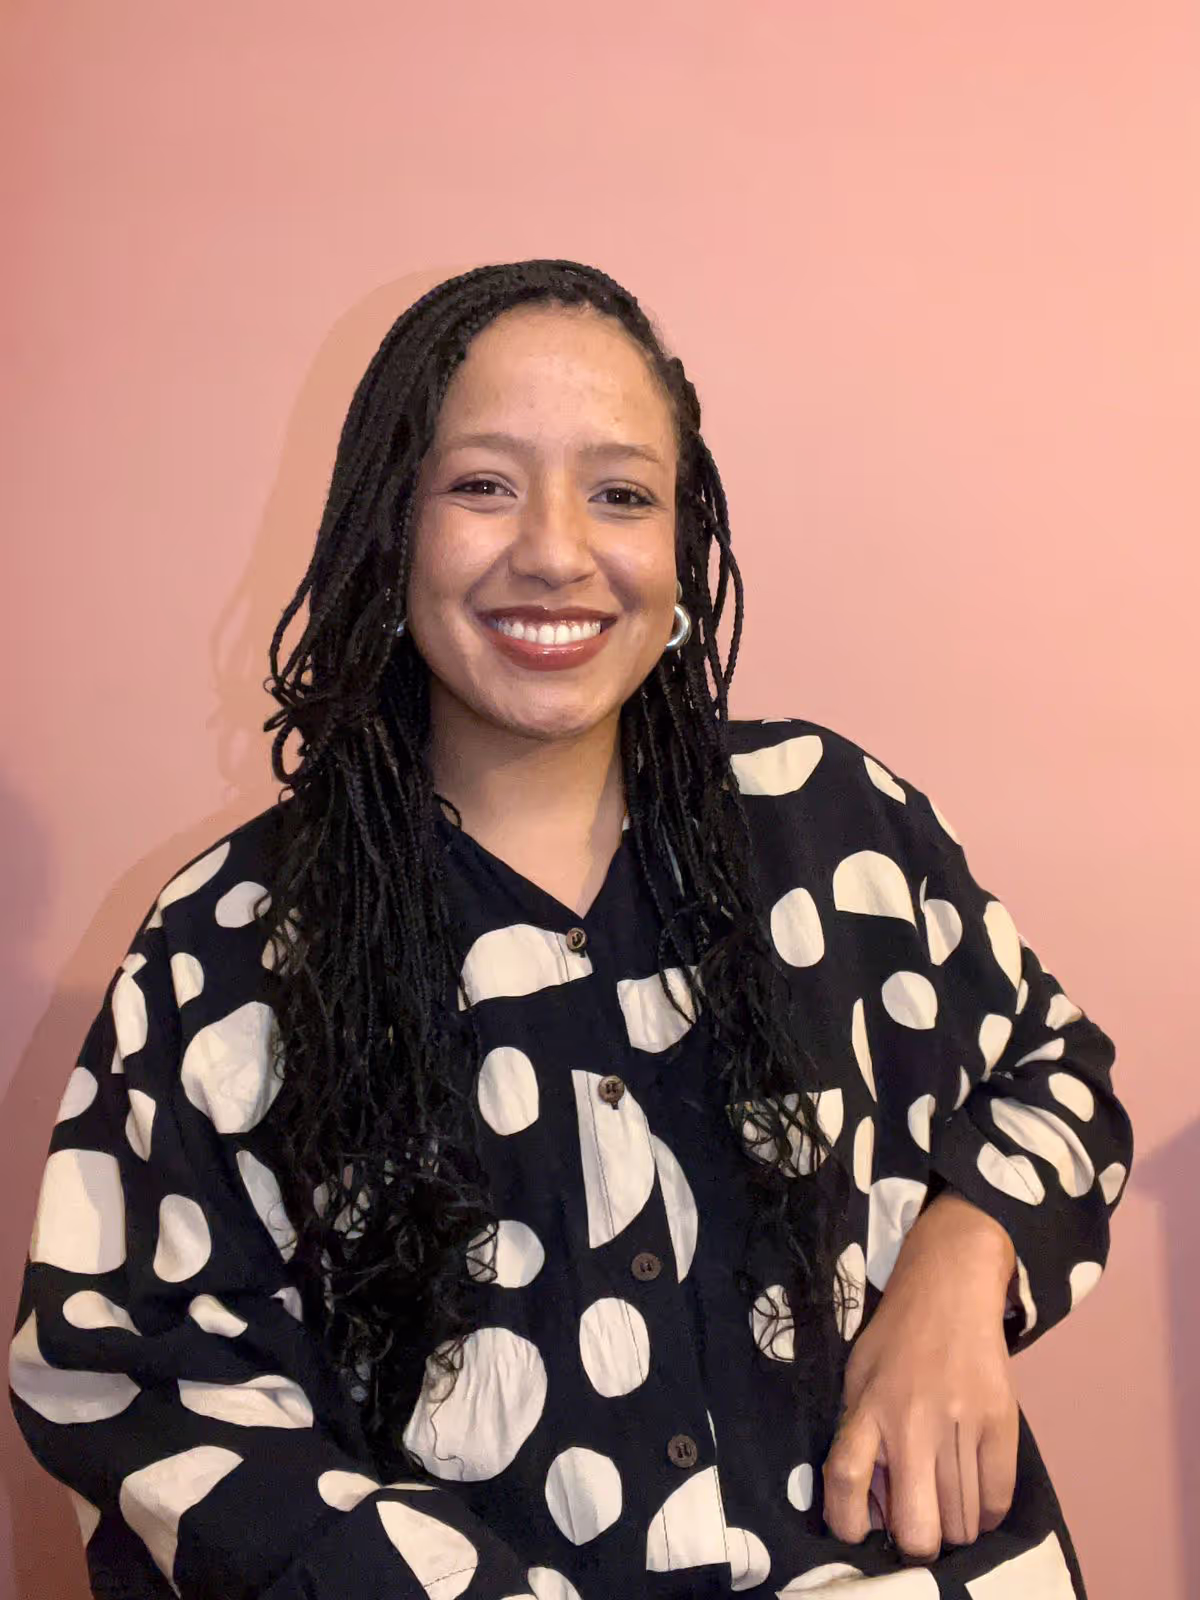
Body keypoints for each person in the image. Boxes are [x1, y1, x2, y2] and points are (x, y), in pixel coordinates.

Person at [9, 259, 1132, 1600]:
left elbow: (1055, 1071)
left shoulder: (836, 826)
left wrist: (964, 1260)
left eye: (621, 494)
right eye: (484, 485)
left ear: (682, 546)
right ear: (389, 526)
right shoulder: (232, 945)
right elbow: (127, 1375)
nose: (554, 549)